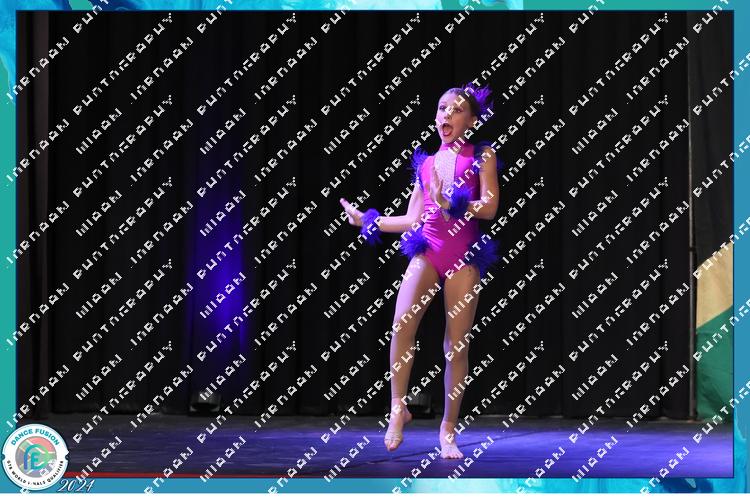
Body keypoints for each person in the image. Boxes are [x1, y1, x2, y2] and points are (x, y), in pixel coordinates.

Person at [339, 83, 501, 459]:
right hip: (428, 250)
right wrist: (368, 220)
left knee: (455, 347)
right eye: (442, 108)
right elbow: (413, 219)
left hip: (463, 257)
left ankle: (448, 428)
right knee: (401, 325)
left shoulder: (483, 155)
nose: (447, 114)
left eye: (456, 109)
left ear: (471, 120)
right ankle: (398, 407)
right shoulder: (426, 164)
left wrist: (453, 203)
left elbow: (490, 207)